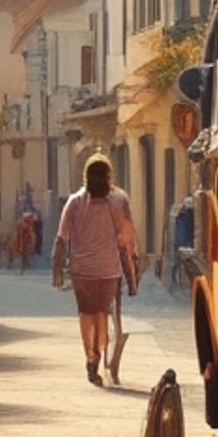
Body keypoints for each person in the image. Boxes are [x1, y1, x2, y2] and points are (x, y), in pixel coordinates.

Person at [52, 154, 139, 385]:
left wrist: (57, 272)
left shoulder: (74, 201)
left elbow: (61, 238)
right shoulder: (119, 200)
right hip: (109, 270)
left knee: (86, 314)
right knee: (101, 312)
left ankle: (91, 356)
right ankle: (97, 353)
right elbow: (128, 241)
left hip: (82, 270)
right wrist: (132, 277)